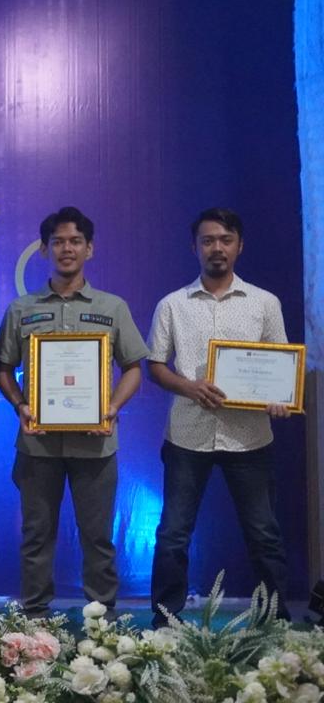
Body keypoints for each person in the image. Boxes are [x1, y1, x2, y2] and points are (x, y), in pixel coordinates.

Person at [0, 206, 148, 618]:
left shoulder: (112, 307)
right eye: (58, 241)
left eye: (75, 241)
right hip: (37, 444)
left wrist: (111, 408)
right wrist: (20, 405)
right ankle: (34, 621)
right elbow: (2, 368)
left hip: (96, 444)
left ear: (89, 249)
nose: (67, 249)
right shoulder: (22, 308)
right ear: (45, 249)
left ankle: (102, 624)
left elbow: (134, 367)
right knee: (36, 535)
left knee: (98, 537)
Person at [145, 208, 293, 627]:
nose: (217, 248)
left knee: (264, 535)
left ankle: (275, 622)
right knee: (173, 534)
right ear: (194, 247)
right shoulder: (172, 304)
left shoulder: (265, 303)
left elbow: (281, 366)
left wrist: (278, 398)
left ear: (239, 246)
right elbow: (155, 366)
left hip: (250, 437)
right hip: (187, 435)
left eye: (225, 239)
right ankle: (165, 622)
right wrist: (188, 386)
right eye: (208, 240)